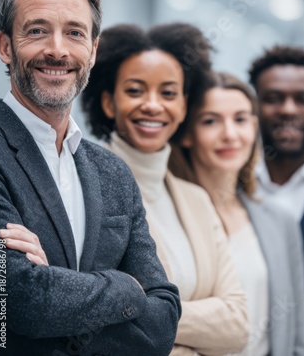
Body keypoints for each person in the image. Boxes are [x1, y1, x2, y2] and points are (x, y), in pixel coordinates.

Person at [0, 0, 181, 356]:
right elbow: (17, 302)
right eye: (38, 30)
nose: (57, 50)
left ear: (92, 51)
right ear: (5, 45)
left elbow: (163, 321)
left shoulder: (112, 171)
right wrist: (126, 287)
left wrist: (58, 288)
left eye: (74, 33)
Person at [81, 23, 249, 356]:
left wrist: (149, 315)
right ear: (108, 102)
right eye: (135, 90)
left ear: (184, 105)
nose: (153, 105)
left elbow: (239, 324)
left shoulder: (196, 199)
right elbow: (93, 322)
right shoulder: (85, 188)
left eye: (168, 93)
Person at [169, 70, 304, 356]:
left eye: (240, 119)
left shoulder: (279, 221)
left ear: (254, 127)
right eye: (211, 121)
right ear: (187, 134)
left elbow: (297, 334)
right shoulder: (165, 216)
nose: (230, 135)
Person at [249, 45, 304, 356]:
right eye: (273, 98)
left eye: (302, 99)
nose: (288, 109)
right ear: (253, 107)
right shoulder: (227, 191)